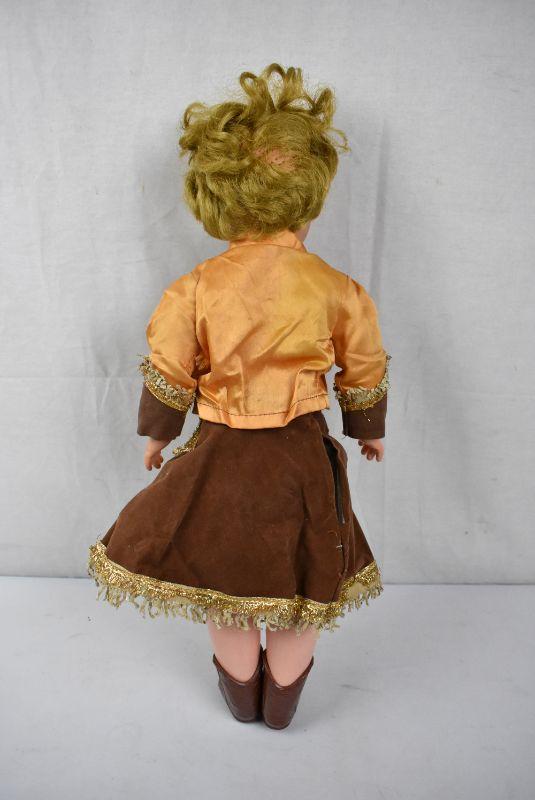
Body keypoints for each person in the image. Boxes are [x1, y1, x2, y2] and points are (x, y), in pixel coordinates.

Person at [87, 63, 391, 730]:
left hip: (221, 456)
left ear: (217, 195)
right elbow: (362, 361)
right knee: (301, 587)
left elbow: (170, 365)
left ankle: (242, 699)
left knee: (226, 584)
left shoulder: (196, 286)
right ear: (310, 195)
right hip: (301, 459)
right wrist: (367, 426)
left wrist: (157, 434)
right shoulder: (335, 286)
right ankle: (281, 708)